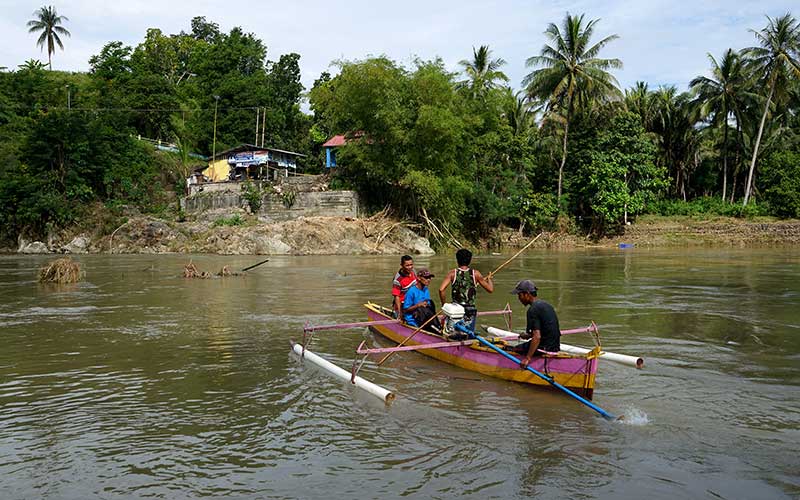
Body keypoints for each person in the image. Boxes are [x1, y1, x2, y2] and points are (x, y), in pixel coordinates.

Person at [438, 248, 493, 332]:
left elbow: (441, 290)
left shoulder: (452, 273)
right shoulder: (476, 274)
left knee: (454, 333)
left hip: (455, 310)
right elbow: (490, 289)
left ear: (457, 260)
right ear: (470, 260)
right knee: (468, 333)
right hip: (470, 310)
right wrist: (489, 279)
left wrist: (444, 305)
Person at [510, 279, 561, 369]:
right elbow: (541, 331)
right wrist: (527, 335)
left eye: (520, 295)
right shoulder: (546, 305)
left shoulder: (532, 310)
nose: (519, 298)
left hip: (544, 348)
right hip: (555, 347)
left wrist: (527, 358)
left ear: (527, 294)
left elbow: (537, 337)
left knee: (514, 349)